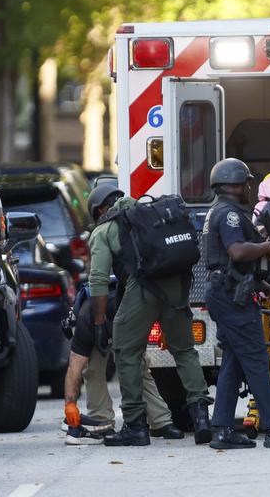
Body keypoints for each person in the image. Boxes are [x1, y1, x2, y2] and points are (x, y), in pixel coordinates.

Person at [83, 186, 212, 447]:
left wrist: (99, 322)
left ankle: (134, 425)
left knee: (126, 351)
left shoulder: (104, 230)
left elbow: (97, 280)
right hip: (176, 286)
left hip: (143, 289)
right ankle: (201, 420)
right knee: (185, 350)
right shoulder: (152, 213)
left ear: (99, 210)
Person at [62, 185, 185, 445]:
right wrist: (70, 406)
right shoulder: (138, 224)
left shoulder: (104, 232)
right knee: (121, 367)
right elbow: (75, 368)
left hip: (114, 312)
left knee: (118, 367)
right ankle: (150, 421)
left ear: (98, 211)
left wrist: (69, 405)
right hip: (120, 310)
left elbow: (75, 368)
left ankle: (116, 419)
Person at [202, 157, 270, 449]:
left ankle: (222, 429)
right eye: (246, 183)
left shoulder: (220, 211)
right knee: (257, 359)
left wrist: (265, 288)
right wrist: (268, 247)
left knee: (234, 361)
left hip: (227, 291)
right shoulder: (230, 215)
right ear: (234, 184)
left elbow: (230, 264)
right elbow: (236, 252)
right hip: (231, 297)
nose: (248, 188)